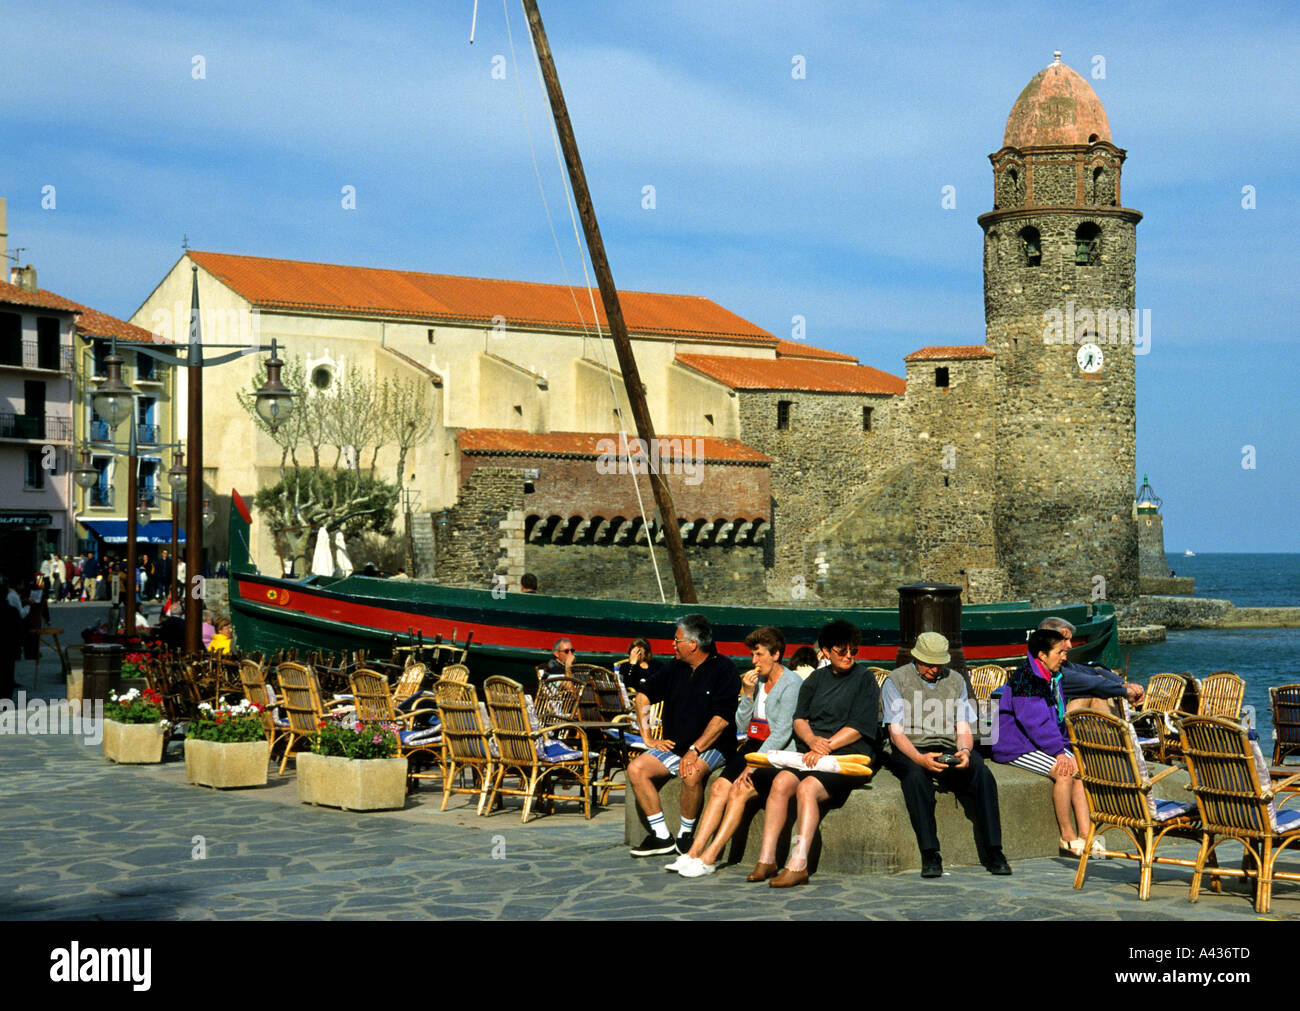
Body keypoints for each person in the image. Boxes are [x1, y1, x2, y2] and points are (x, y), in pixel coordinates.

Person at [748, 619, 879, 887]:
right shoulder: (816, 679)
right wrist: (812, 741)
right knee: (782, 782)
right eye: (841, 651)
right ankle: (767, 858)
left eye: (853, 650)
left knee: (807, 788)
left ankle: (798, 863)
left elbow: (859, 726)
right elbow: (799, 719)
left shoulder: (864, 679)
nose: (849, 656)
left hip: (847, 753)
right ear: (827, 652)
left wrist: (826, 745)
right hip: (812, 749)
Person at [668, 626, 801, 877]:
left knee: (740, 789)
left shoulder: (791, 683)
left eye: (759, 655)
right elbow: (742, 726)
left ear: (776, 654)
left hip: (776, 752)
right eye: (753, 655)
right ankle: (693, 853)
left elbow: (783, 733)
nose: (754, 661)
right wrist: (749, 696)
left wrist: (753, 765)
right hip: (753, 745)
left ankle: (710, 857)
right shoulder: (758, 681)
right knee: (719, 787)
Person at [882, 632, 1011, 878]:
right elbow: (896, 734)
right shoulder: (895, 680)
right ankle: (930, 853)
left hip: (946, 744)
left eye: (938, 664)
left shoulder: (956, 680)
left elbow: (963, 728)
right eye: (928, 664)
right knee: (915, 777)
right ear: (917, 659)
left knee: (982, 773)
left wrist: (964, 751)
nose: (934, 669)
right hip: (910, 745)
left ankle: (995, 850)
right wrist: (919, 759)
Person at [627, 614, 742, 857]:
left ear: (692, 644)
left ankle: (686, 834)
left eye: (676, 640)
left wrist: (695, 750)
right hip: (676, 744)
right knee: (636, 769)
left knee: (691, 773)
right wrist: (647, 737)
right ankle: (661, 837)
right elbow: (642, 696)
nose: (672, 644)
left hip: (714, 745)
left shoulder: (725, 669)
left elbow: (721, 720)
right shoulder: (674, 667)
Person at [993, 626, 1100, 857]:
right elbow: (1035, 723)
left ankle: (1086, 834)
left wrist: (1065, 748)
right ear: (1042, 655)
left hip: (1035, 741)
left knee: (1081, 768)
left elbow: (1054, 719)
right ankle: (1067, 836)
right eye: (1060, 652)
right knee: (1064, 772)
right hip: (1016, 745)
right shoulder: (1027, 678)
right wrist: (1059, 752)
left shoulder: (1051, 676)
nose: (1065, 656)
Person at [1038, 616, 1144, 715]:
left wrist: (1124, 684)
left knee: (1098, 691)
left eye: (1070, 640)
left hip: (1059, 719)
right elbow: (1094, 684)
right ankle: (1115, 733)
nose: (1070, 645)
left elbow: (1095, 671)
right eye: (1065, 639)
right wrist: (1125, 691)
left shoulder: (1062, 665)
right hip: (1049, 728)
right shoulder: (1048, 670)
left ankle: (1112, 733)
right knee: (1097, 692)